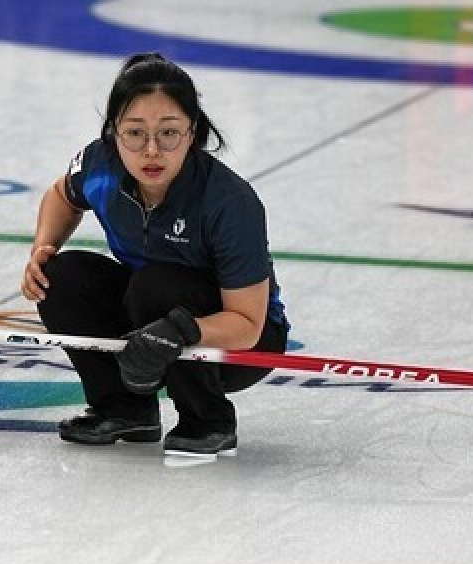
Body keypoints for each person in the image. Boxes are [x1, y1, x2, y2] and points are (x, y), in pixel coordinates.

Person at [21, 52, 289, 458]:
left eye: (168, 133)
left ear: (192, 133)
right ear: (114, 133)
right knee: (63, 275)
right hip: (148, 307)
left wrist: (180, 331)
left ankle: (207, 418)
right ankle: (124, 408)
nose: (151, 151)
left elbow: (249, 324)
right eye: (134, 134)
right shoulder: (101, 165)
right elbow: (62, 195)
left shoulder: (229, 202)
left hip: (240, 343)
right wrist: (44, 246)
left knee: (159, 284)